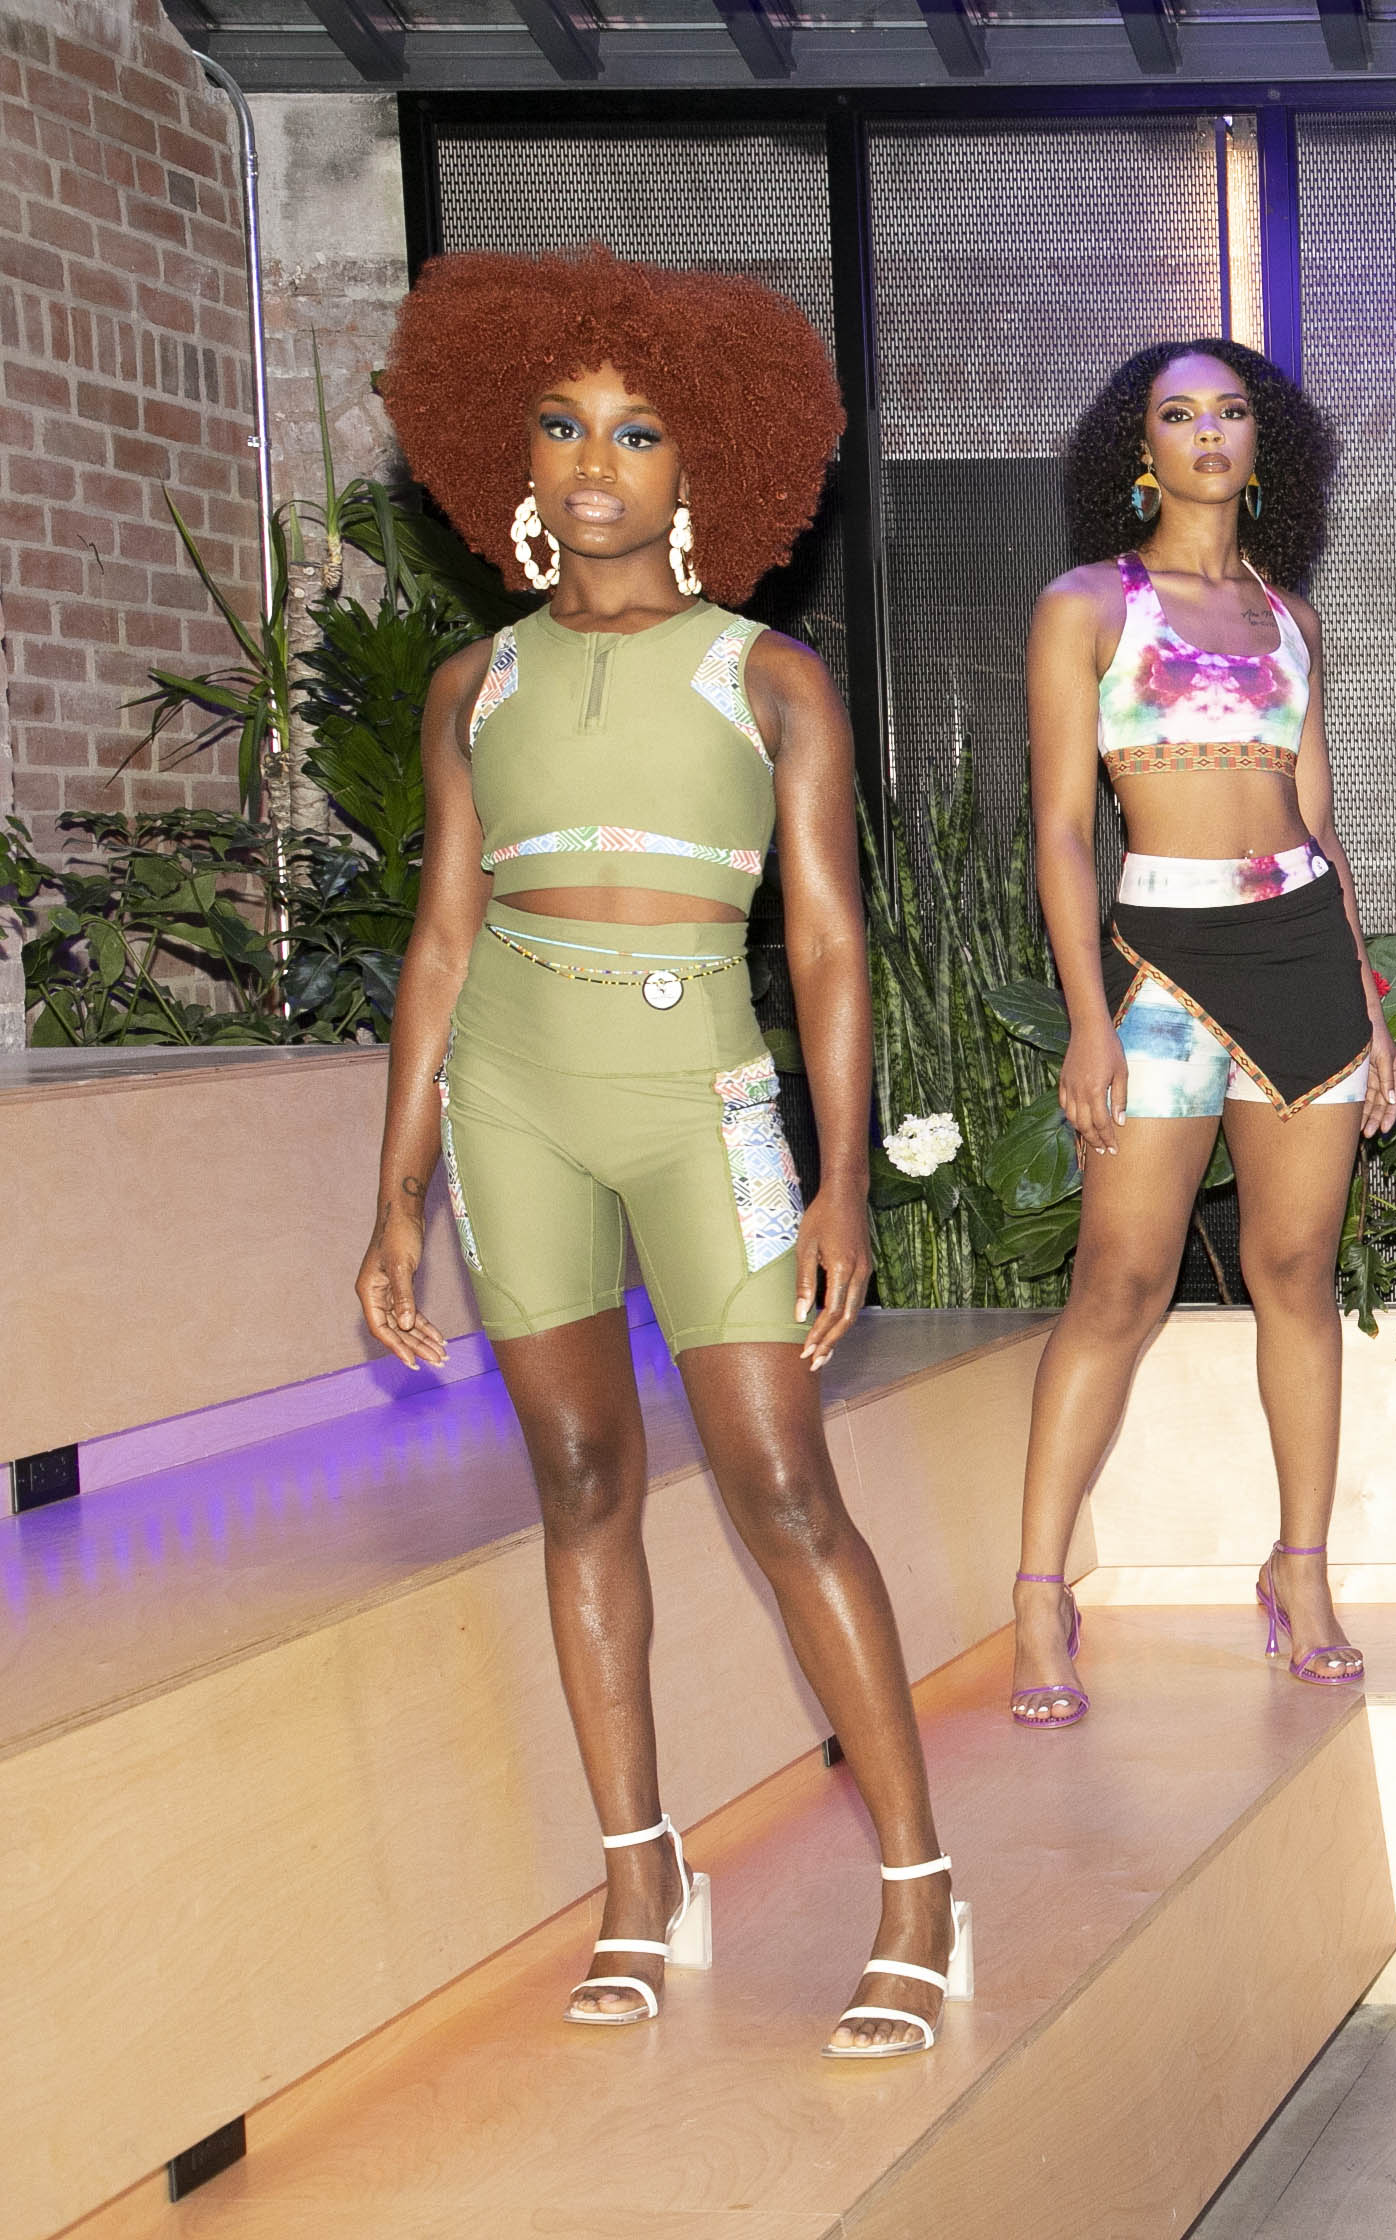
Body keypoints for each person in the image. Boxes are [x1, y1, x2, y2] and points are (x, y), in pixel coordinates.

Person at [361, 248, 968, 2056]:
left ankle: (922, 1887)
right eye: (562, 425)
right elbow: (441, 943)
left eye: (637, 430)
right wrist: (394, 1193)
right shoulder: (471, 685)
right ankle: (642, 1878)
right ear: (515, 454)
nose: (594, 462)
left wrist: (842, 1175)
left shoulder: (768, 677)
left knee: (782, 1487)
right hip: (511, 1094)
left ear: (705, 461)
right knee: (576, 1480)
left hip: (702, 1092)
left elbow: (829, 941)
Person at [1003, 338, 1396, 1724]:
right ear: (1142, 445)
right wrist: (1086, 1019)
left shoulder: (1292, 618)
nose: (1208, 434)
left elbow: (1319, 822)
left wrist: (1371, 1010)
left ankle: (1300, 1571)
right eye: (1179, 415)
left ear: (1261, 442)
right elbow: (1062, 829)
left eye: (1230, 412)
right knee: (1120, 1279)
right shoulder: (1087, 606)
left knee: (1297, 1272)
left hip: (1303, 957)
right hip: (1158, 966)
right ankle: (1039, 1592)